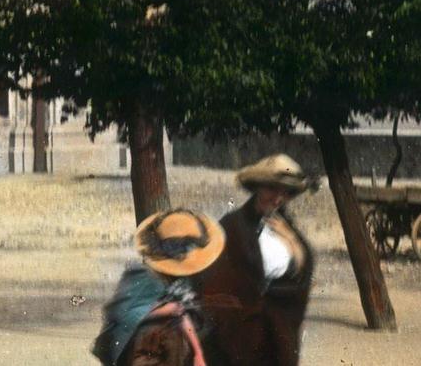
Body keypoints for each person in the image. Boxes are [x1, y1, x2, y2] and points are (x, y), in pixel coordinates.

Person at [198, 153, 315, 366]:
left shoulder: (288, 229)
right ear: (257, 187)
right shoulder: (232, 226)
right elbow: (216, 282)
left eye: (286, 193)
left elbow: (302, 279)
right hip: (237, 338)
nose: (278, 198)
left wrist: (297, 251)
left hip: (278, 335)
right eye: (272, 189)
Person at [93, 208, 225, 366]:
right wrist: (163, 310)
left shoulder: (182, 281)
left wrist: (198, 354)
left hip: (173, 346)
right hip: (144, 346)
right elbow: (123, 315)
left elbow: (182, 314)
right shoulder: (142, 277)